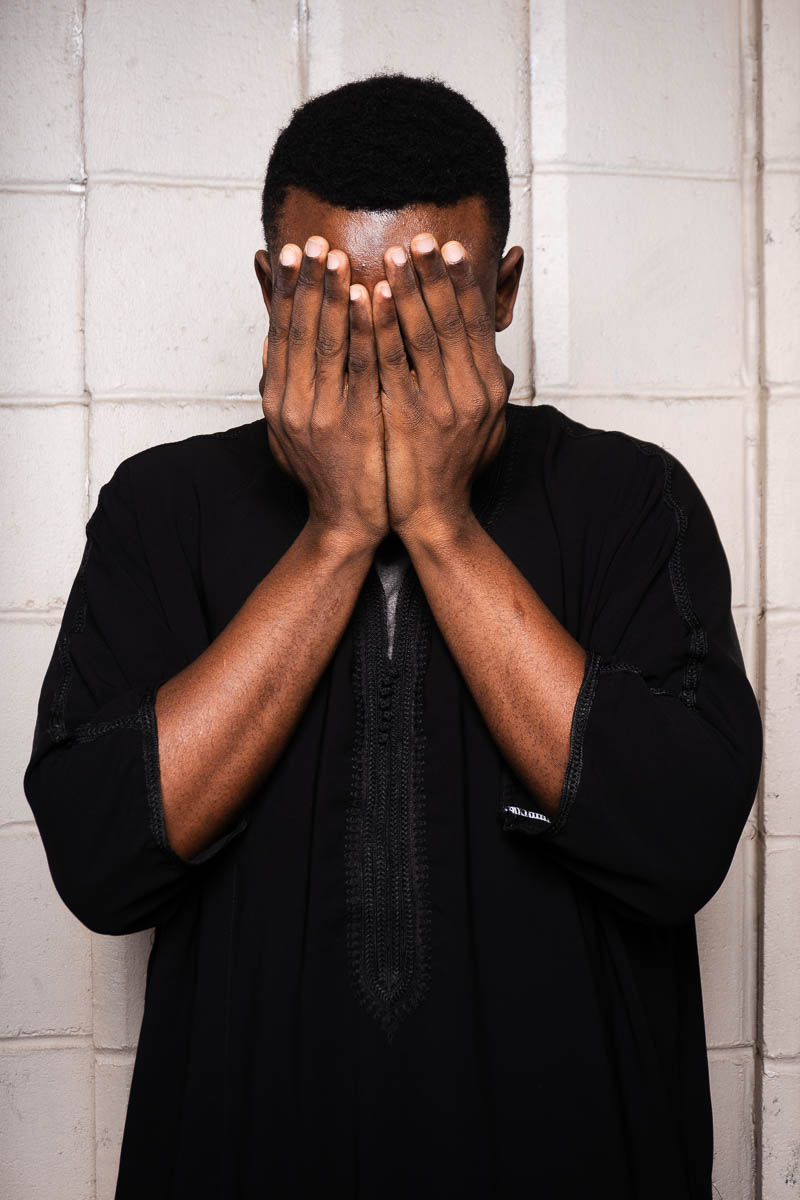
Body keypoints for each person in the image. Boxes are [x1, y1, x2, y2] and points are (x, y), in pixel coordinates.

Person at [24, 72, 763, 1199]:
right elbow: (97, 858)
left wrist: (433, 521)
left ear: (504, 291)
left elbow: (676, 840)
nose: (377, 346)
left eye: (430, 302)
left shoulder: (626, 498)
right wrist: (333, 534)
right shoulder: (160, 509)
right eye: (331, 302)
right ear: (272, 289)